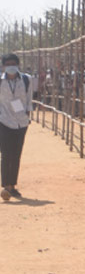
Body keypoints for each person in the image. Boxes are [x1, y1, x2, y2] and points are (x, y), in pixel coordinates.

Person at [0, 54, 34, 200]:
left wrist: (27, 116)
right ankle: (6, 186)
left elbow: (29, 99)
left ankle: (12, 185)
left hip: (21, 122)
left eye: (13, 63)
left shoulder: (26, 79)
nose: (11, 66)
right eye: (8, 64)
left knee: (16, 154)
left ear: (18, 65)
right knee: (6, 153)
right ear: (3, 66)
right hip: (4, 121)